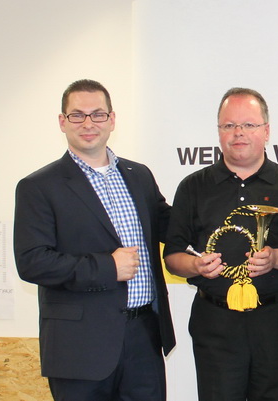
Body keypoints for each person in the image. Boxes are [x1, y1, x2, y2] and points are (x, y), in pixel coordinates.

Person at [14, 79, 175, 400]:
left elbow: (171, 226)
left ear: (111, 120)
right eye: (77, 115)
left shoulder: (139, 175)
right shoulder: (39, 186)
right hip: (79, 348)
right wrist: (107, 267)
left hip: (143, 339)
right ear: (62, 122)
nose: (88, 123)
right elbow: (32, 262)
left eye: (98, 114)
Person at [163, 88, 278, 400]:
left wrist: (276, 258)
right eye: (229, 125)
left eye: (249, 125)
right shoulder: (193, 187)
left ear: (266, 131)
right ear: (219, 132)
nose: (239, 133)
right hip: (215, 324)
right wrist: (195, 265)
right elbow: (172, 256)